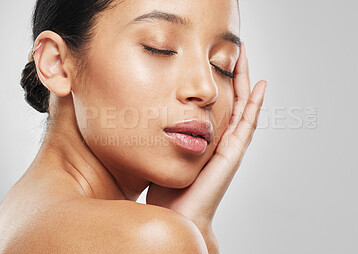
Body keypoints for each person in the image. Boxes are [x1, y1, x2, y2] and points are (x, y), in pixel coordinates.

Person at [0, 0, 267, 253]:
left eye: (223, 65)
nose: (207, 89)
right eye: (160, 47)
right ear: (56, 64)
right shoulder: (153, 240)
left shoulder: (19, 219)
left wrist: (192, 222)